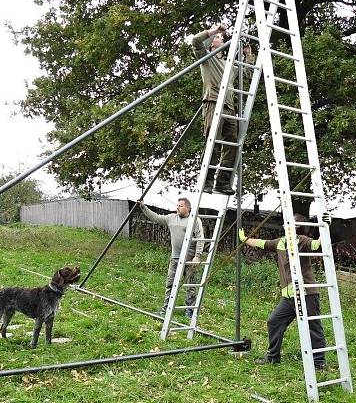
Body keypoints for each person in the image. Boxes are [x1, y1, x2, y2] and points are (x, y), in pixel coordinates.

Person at [238, 213, 330, 369]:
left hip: (307, 294)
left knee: (313, 326)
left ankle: (319, 362)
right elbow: (261, 243)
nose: (286, 227)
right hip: (288, 297)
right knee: (274, 322)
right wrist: (244, 239)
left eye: (290, 224)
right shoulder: (280, 242)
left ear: (297, 227)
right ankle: (273, 357)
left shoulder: (302, 241)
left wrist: (326, 227)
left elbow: (318, 245)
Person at [191, 23, 254, 194]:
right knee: (213, 143)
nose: (221, 38)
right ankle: (207, 181)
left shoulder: (228, 65)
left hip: (229, 108)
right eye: (218, 38)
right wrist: (214, 31)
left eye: (221, 37)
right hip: (213, 103)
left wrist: (248, 55)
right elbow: (196, 41)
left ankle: (222, 182)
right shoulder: (207, 58)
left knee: (231, 144)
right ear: (211, 43)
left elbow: (248, 73)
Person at [138, 198, 205, 317]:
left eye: (180, 206)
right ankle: (166, 308)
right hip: (175, 258)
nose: (177, 207)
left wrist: (197, 256)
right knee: (170, 283)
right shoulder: (171, 218)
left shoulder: (195, 220)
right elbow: (156, 217)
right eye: (177, 205)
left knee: (190, 285)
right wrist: (143, 207)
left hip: (190, 259)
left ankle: (189, 310)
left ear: (188, 208)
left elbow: (200, 238)